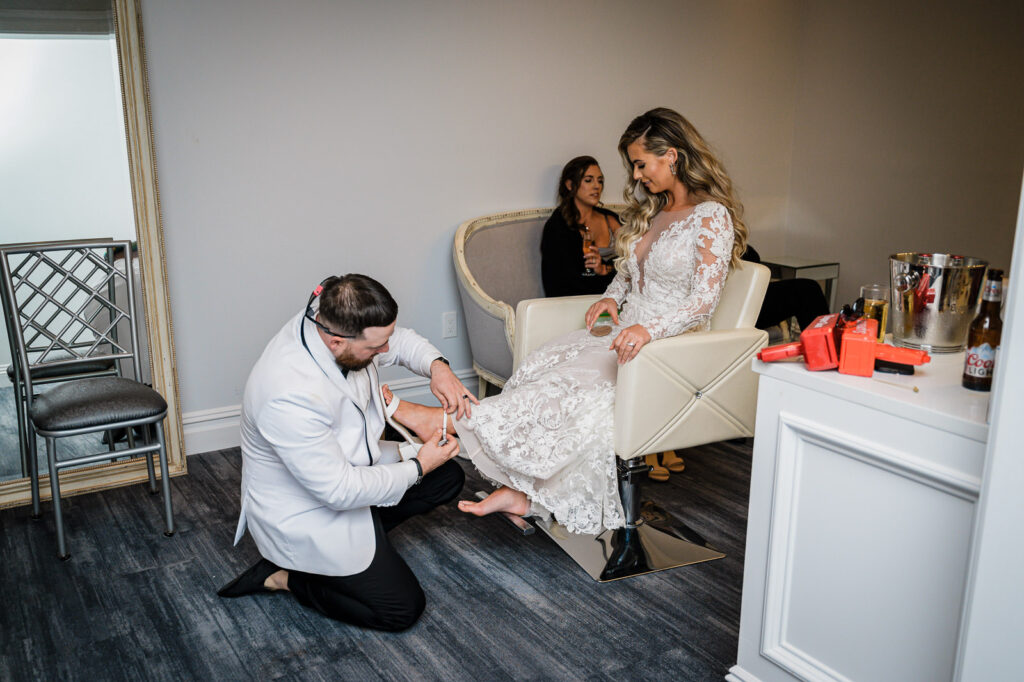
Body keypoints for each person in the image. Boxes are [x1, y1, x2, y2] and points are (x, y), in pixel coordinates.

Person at [390, 108, 748, 535]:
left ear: (671, 156)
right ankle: (524, 493)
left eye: (640, 164)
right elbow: (626, 275)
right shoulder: (654, 211)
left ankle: (445, 422)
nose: (635, 177)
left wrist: (648, 330)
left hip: (667, 351)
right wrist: (611, 302)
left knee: (578, 393)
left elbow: (703, 303)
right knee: (545, 370)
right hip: (624, 334)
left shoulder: (711, 217)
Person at [217, 274, 477, 631]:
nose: (385, 352)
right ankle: (288, 577)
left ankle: (368, 546)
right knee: (401, 610)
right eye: (375, 349)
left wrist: (439, 368)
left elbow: (395, 340)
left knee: (447, 476)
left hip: (353, 465)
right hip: (309, 510)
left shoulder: (332, 318)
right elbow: (338, 491)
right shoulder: (286, 393)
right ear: (337, 341)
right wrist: (418, 466)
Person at [540, 156, 621, 296]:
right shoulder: (557, 227)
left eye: (600, 181)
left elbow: (635, 261)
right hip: (577, 303)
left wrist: (604, 269)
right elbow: (561, 281)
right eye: (588, 180)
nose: (597, 186)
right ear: (570, 185)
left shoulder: (611, 218)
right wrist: (607, 274)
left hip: (621, 297)